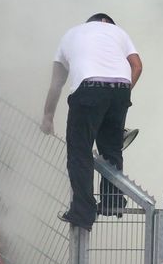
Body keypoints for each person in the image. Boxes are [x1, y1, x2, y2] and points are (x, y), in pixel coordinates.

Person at [41, 13, 143, 231]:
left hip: (89, 88)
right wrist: (121, 96)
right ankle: (112, 202)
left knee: (80, 151)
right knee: (112, 149)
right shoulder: (119, 32)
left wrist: (48, 116)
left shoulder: (71, 33)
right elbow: (137, 66)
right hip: (121, 89)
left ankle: (83, 212)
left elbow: (56, 84)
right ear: (107, 23)